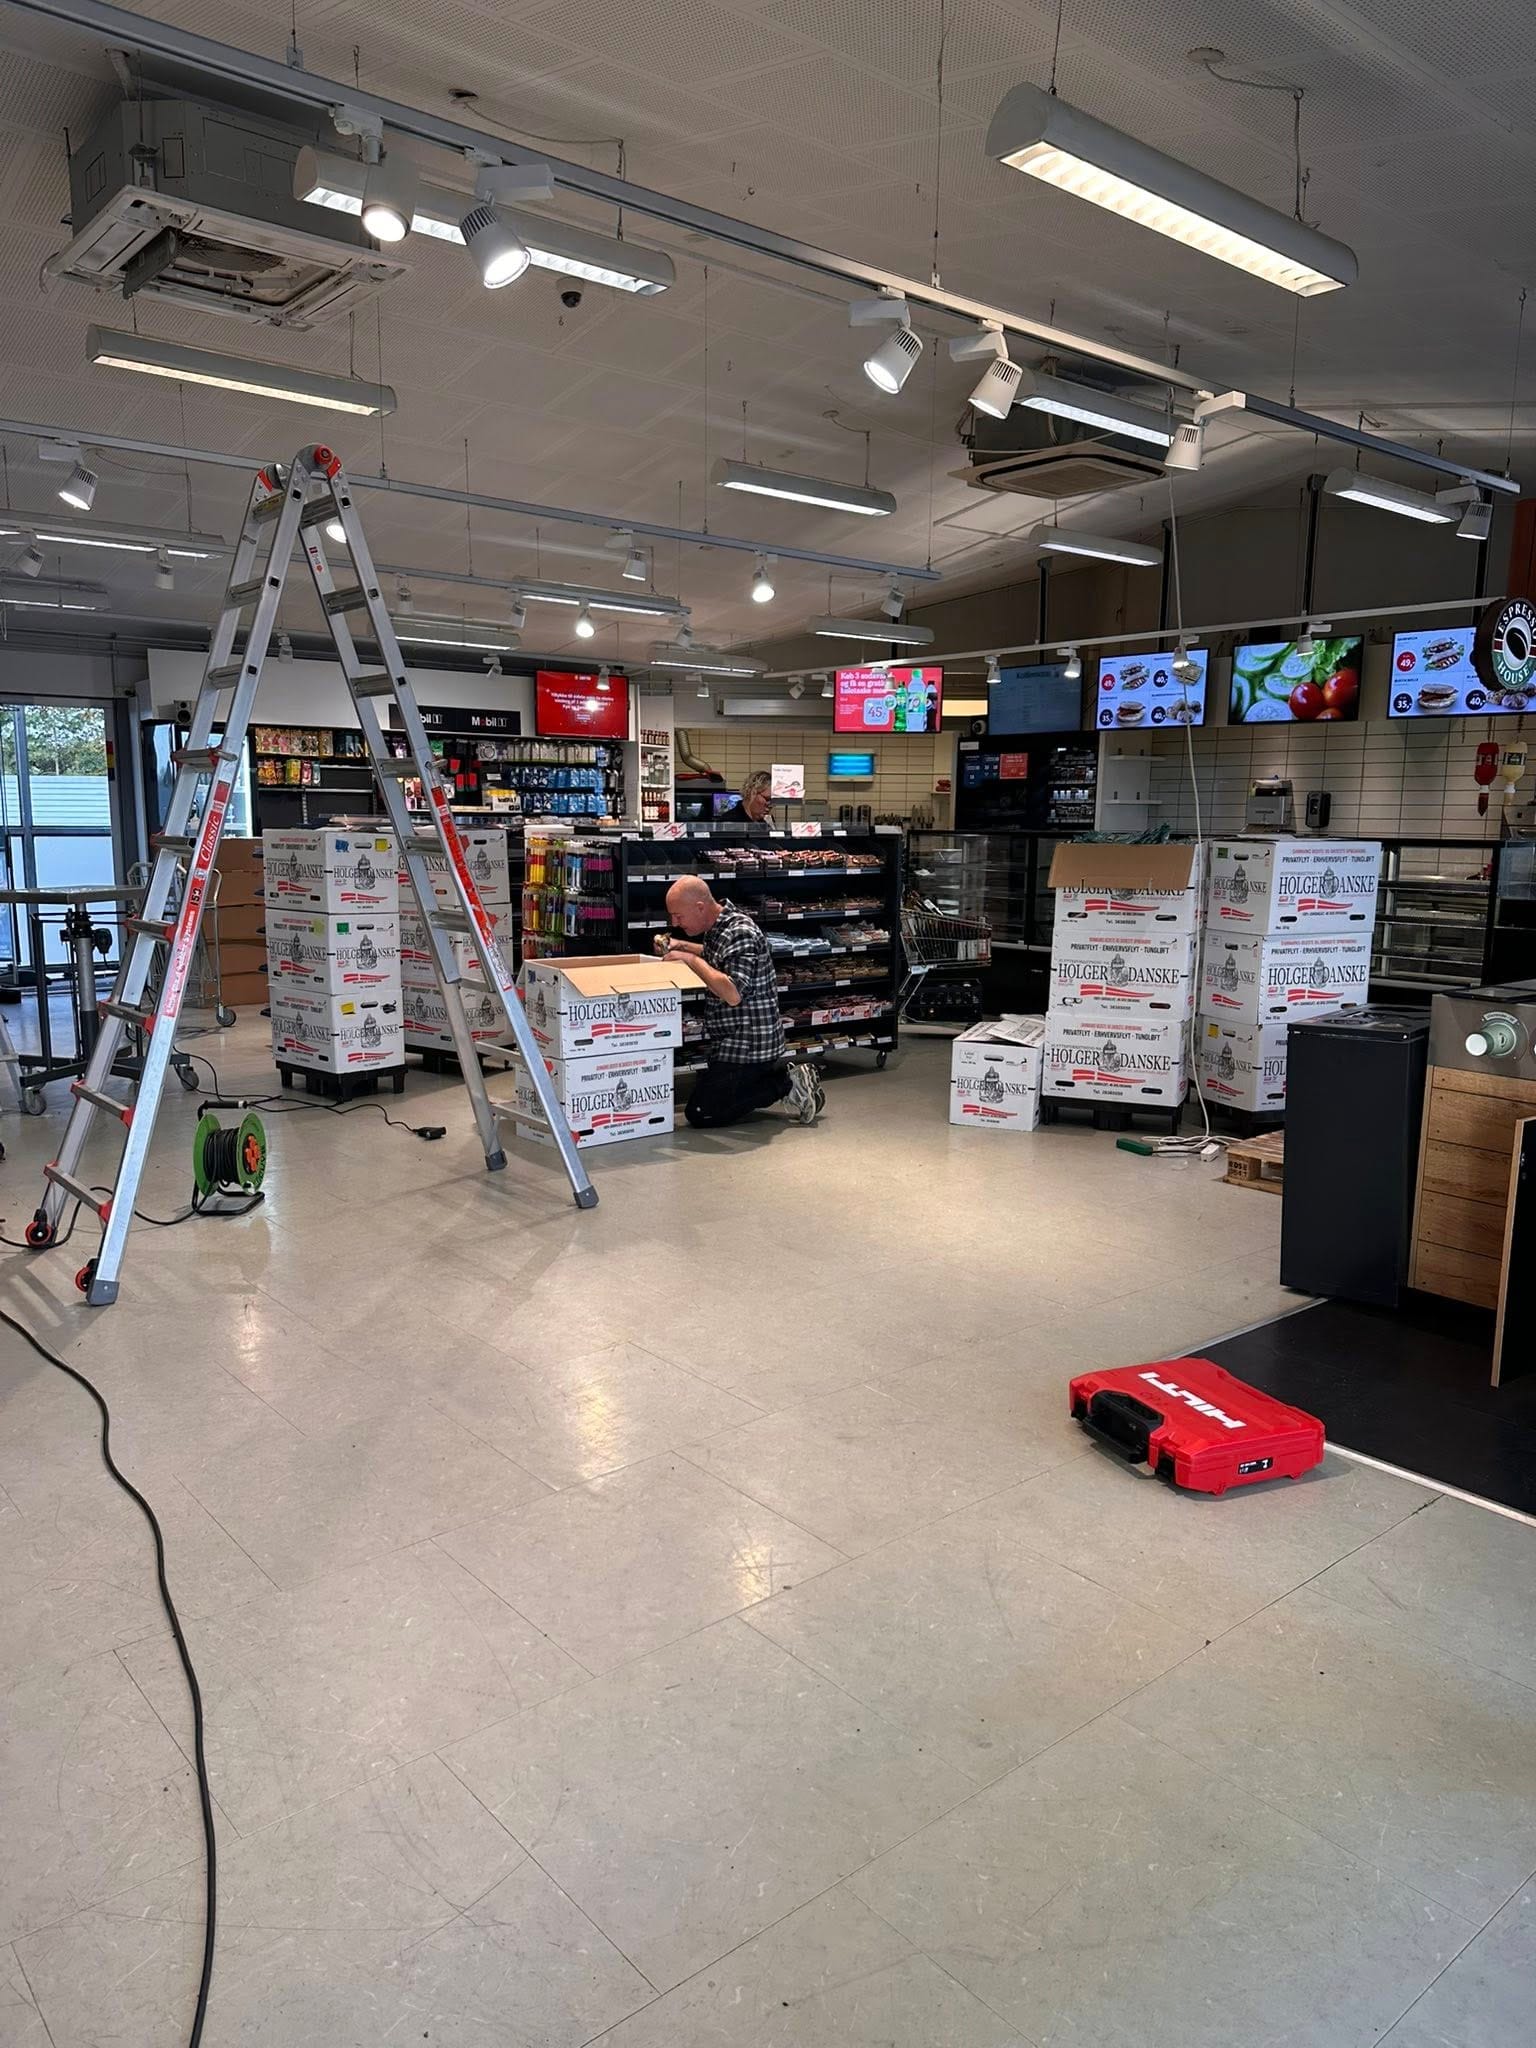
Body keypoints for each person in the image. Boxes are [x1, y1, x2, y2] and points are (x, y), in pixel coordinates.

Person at [659, 876, 823, 1128]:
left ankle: (788, 1083)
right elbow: (719, 955)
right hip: (730, 1040)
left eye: (678, 916)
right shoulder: (720, 926)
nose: (675, 923)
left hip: (748, 1044)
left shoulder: (740, 932)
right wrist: (683, 946)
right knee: (710, 1097)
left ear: (700, 907)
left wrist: (689, 960)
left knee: (702, 1113)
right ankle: (770, 1080)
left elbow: (733, 993)